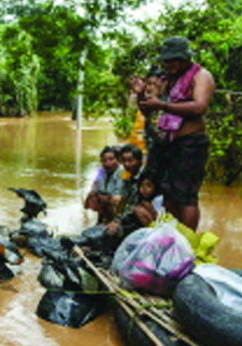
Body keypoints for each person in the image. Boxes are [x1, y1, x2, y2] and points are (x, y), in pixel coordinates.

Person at [137, 36, 215, 231]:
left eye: (172, 61)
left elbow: (199, 107)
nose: (168, 65)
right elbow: (148, 109)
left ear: (184, 59)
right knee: (168, 194)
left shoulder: (201, 76)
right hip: (167, 144)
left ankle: (188, 241)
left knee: (186, 197)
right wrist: (140, 94)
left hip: (190, 144)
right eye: (166, 61)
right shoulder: (167, 80)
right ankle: (170, 236)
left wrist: (163, 105)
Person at [105, 169, 161, 238]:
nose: (144, 189)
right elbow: (127, 208)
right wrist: (117, 221)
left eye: (148, 186)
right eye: (142, 185)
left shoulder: (159, 199)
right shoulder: (137, 195)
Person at [85, 146, 123, 224]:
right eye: (104, 160)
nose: (107, 163)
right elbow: (95, 185)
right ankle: (100, 220)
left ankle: (114, 221)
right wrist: (93, 193)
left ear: (118, 160)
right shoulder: (101, 171)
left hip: (115, 199)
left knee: (113, 201)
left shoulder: (121, 172)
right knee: (92, 196)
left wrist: (107, 198)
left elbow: (118, 192)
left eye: (111, 159)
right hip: (104, 196)